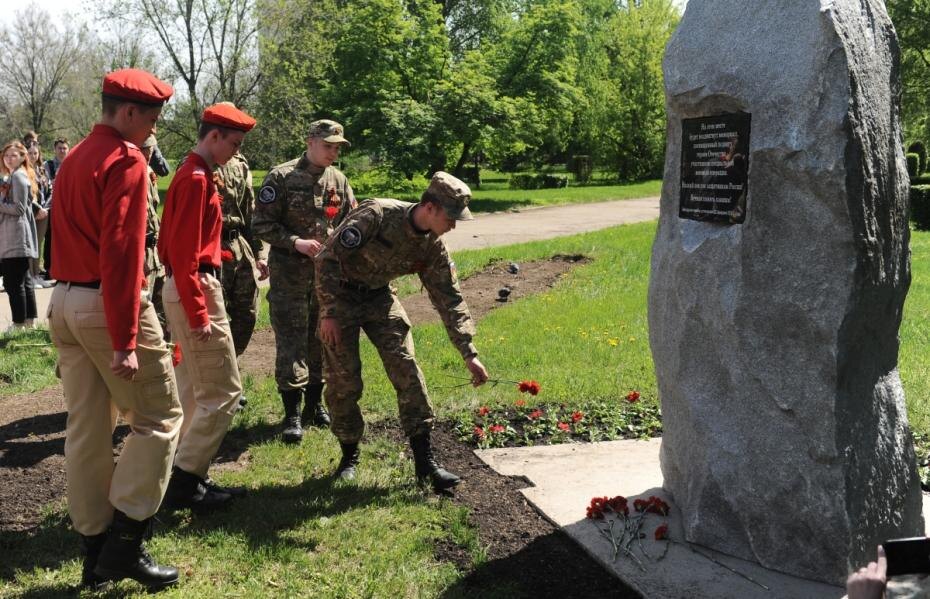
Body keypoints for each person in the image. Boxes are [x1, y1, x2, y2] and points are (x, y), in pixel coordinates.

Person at [48, 67, 181, 590]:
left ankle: (94, 551)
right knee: (160, 417)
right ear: (128, 113)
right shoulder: (124, 159)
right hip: (107, 305)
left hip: (65, 300)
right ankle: (126, 544)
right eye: (151, 119)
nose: (153, 130)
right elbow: (123, 254)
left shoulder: (77, 156)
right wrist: (127, 339)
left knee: (87, 429)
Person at [315, 171, 490, 490]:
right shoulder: (377, 215)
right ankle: (349, 456)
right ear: (430, 207)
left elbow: (449, 298)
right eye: (450, 217)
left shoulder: (433, 246)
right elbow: (326, 258)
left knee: (407, 369)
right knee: (343, 380)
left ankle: (425, 464)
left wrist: (470, 353)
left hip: (379, 297)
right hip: (339, 297)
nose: (452, 225)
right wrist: (327, 312)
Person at [158, 102, 255, 511]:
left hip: (189, 282)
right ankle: (186, 481)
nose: (236, 152)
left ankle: (174, 476)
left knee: (194, 390)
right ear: (212, 136)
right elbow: (180, 251)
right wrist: (199, 312)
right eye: (233, 143)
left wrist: (218, 256)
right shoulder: (197, 178)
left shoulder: (192, 172)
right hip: (194, 286)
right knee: (225, 393)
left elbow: (179, 242)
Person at [253, 119, 354, 444]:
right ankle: (292, 415)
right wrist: (295, 242)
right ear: (310, 141)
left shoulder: (338, 181)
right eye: (328, 146)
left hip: (325, 281)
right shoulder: (281, 177)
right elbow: (261, 224)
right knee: (291, 343)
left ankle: (314, 406)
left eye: (337, 147)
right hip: (289, 278)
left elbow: (351, 222)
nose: (333, 153)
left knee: (321, 341)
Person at [216, 150, 268, 394]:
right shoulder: (199, 162)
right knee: (216, 316)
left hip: (239, 245)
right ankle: (220, 381)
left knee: (247, 312)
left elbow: (250, 210)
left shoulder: (241, 164)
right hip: (212, 245)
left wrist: (259, 254)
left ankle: (231, 368)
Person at [0, 140, 42, 331]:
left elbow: (18, 208)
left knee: (13, 282)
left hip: (15, 237)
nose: (9, 159)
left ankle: (18, 323)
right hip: (15, 236)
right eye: (6, 155)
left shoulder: (18, 177)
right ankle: (29, 321)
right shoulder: (15, 175)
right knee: (23, 280)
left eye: (13, 155)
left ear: (22, 157)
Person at [139, 135, 166, 332]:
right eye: (144, 150)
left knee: (162, 310)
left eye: (150, 150)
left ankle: (168, 355)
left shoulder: (149, 174)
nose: (148, 155)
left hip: (155, 252)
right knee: (144, 311)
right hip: (142, 254)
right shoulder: (130, 175)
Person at [42, 138, 70, 280]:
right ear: (54, 149)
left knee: (68, 238)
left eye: (64, 148)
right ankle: (49, 269)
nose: (62, 151)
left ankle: (67, 268)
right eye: (59, 148)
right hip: (52, 206)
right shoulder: (48, 165)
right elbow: (44, 183)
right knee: (50, 238)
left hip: (69, 207)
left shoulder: (73, 163)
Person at [26, 142, 53, 286]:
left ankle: (37, 274)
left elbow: (50, 189)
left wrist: (45, 208)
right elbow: (27, 195)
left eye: (35, 153)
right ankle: (30, 275)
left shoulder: (42, 169)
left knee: (39, 244)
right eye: (30, 153)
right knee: (31, 244)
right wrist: (37, 209)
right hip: (31, 212)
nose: (33, 156)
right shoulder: (23, 170)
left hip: (44, 212)